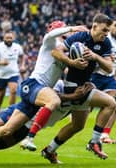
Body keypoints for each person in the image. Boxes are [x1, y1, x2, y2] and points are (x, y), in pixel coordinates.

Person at [0, 23, 89, 162]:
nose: (66, 34)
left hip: (35, 101)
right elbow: (51, 35)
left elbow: (70, 68)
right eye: (62, 30)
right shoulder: (50, 41)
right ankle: (30, 137)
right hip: (34, 85)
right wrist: (73, 28)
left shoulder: (64, 52)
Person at [0, 82, 95, 161]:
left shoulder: (82, 102)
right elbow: (51, 95)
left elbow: (77, 120)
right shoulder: (61, 84)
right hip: (19, 112)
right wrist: (72, 96)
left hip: (27, 127)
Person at [40, 13, 116, 163]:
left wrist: (95, 56)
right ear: (94, 27)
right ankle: (94, 142)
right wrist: (72, 62)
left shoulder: (105, 42)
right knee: (111, 103)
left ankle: (49, 150)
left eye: (108, 30)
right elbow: (55, 51)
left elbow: (108, 68)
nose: (105, 33)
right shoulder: (79, 37)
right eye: (103, 30)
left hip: (85, 84)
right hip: (72, 86)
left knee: (77, 125)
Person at [0, 30, 26, 115]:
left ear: (13, 38)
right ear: (4, 38)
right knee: (1, 95)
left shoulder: (17, 47)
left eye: (10, 38)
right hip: (1, 75)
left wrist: (22, 65)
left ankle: (11, 112)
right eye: (7, 38)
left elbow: (22, 56)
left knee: (13, 91)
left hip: (13, 73)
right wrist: (0, 63)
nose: (9, 39)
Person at [95, 20, 116, 144]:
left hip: (109, 78)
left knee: (113, 103)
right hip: (95, 75)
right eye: (115, 26)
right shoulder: (104, 38)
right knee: (85, 108)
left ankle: (104, 134)